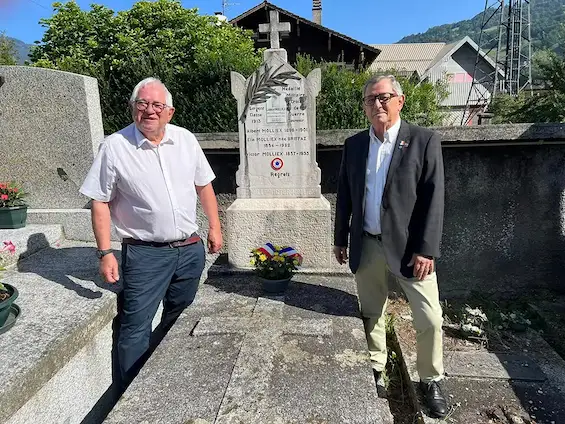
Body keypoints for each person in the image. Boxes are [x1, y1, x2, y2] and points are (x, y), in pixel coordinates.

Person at [80, 77, 222, 385]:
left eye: (157, 105)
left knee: (179, 315)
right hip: (144, 254)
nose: (150, 111)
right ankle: (129, 395)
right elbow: (100, 201)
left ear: (170, 112)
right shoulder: (115, 147)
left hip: (190, 250)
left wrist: (215, 226)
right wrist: (105, 252)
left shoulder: (185, 140)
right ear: (132, 108)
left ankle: (160, 378)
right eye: (142, 104)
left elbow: (204, 186)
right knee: (135, 325)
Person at [333, 75, 448, 418]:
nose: (377, 104)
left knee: (429, 318)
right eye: (370, 99)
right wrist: (341, 237)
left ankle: (431, 379)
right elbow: (345, 194)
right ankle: (376, 365)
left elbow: (434, 197)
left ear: (400, 100)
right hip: (366, 243)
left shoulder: (423, 141)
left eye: (384, 97)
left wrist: (426, 248)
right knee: (372, 311)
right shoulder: (354, 145)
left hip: (412, 249)